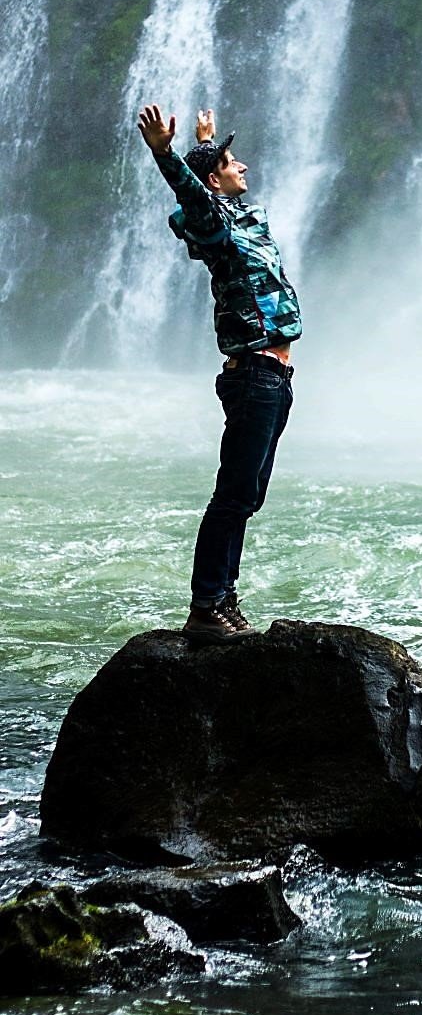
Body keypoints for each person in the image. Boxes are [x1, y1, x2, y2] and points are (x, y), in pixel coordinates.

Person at [137, 104, 302, 643]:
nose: (245, 165)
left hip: (274, 378)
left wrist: (208, 145)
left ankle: (223, 598)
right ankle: (206, 605)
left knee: (247, 496)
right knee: (233, 495)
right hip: (253, 375)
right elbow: (194, 200)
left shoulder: (245, 218)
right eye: (234, 162)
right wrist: (168, 154)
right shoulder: (215, 227)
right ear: (214, 181)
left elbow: (213, 191)